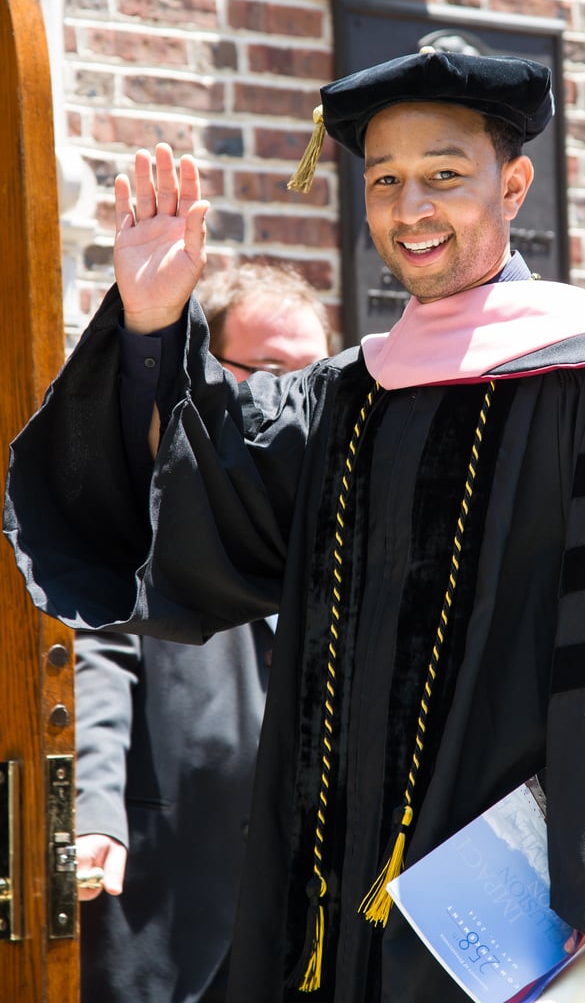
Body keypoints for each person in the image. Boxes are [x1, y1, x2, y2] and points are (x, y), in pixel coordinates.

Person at [5, 49, 585, 1003]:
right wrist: (157, 324)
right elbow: (200, 497)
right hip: (327, 901)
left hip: (525, 912)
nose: (411, 208)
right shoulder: (350, 395)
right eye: (384, 180)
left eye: (444, 176)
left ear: (514, 183)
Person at [73, 261, 330, 1003]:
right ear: (207, 375)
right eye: (273, 372)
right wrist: (90, 811)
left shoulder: (348, 532)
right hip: (158, 917)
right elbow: (97, 659)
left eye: (316, 380)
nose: (297, 402)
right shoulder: (143, 517)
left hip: (299, 946)